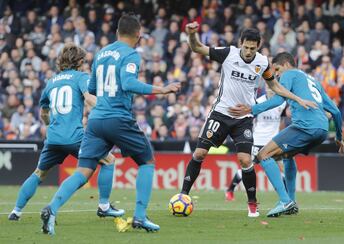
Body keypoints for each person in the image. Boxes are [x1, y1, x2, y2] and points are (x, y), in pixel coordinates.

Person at [40, 13, 181, 235]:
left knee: (83, 172)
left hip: (96, 120)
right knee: (147, 161)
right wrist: (161, 89)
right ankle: (140, 217)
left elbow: (94, 89)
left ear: (117, 33)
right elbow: (128, 83)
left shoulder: (101, 53)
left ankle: (52, 208)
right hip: (118, 118)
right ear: (138, 35)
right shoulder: (131, 54)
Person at [178, 22, 316, 218]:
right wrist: (191, 34)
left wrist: (298, 99)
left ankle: (252, 203)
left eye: (253, 48)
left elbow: (275, 87)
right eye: (246, 47)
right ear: (240, 43)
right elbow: (197, 47)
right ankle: (183, 195)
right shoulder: (228, 53)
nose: (249, 51)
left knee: (245, 159)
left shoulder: (262, 63)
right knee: (199, 153)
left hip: (243, 118)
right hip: (220, 113)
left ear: (258, 46)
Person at [8, 43, 123, 221]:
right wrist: (107, 108)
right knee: (108, 160)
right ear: (78, 62)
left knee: (39, 173)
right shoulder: (81, 77)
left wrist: (49, 125)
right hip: (74, 136)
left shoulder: (51, 82)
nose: (84, 64)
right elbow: (89, 98)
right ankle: (104, 206)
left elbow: (43, 113)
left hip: (53, 138)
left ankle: (16, 211)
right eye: (83, 61)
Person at [229, 52, 344, 217]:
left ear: (285, 65)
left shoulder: (289, 74)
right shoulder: (313, 81)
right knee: (287, 156)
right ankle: (291, 202)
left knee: (263, 154)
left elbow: (278, 100)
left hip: (305, 126)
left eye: (276, 69)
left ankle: (285, 201)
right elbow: (336, 111)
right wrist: (339, 137)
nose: (275, 74)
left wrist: (251, 109)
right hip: (322, 130)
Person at [226, 84, 286, 201]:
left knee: (283, 168)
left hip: (274, 141)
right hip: (259, 141)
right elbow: (249, 118)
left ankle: (286, 198)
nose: (271, 90)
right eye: (269, 88)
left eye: (272, 88)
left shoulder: (281, 103)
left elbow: (282, 119)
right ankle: (230, 190)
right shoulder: (258, 102)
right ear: (266, 89)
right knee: (249, 166)